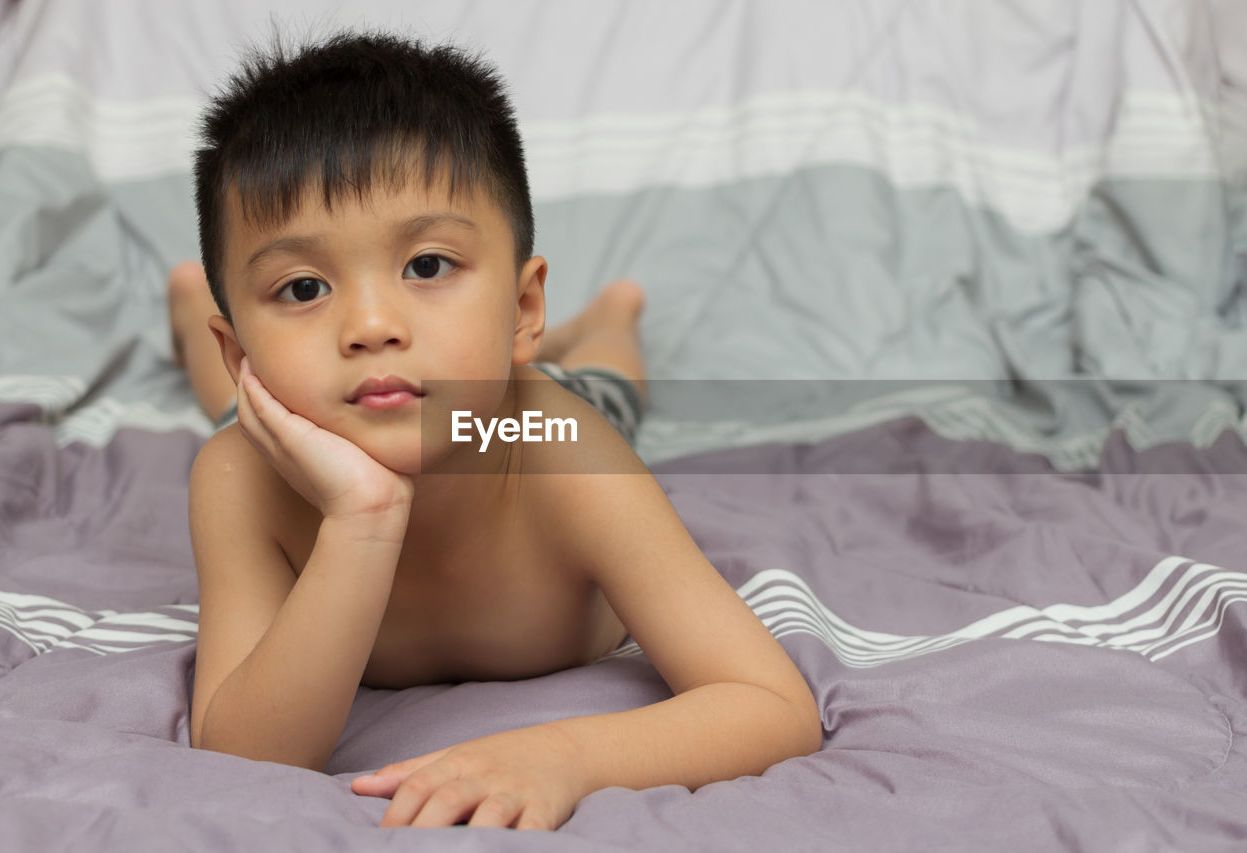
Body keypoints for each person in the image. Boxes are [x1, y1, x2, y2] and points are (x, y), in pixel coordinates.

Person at [178, 30, 820, 831]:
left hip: (508, 414)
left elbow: (772, 703)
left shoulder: (562, 454)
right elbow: (244, 752)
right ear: (240, 347)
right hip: (308, 420)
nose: (371, 324)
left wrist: (562, 754)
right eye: (303, 286)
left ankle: (610, 317)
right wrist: (362, 520)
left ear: (522, 312)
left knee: (610, 386)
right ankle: (188, 313)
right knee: (233, 417)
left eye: (427, 265)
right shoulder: (244, 479)